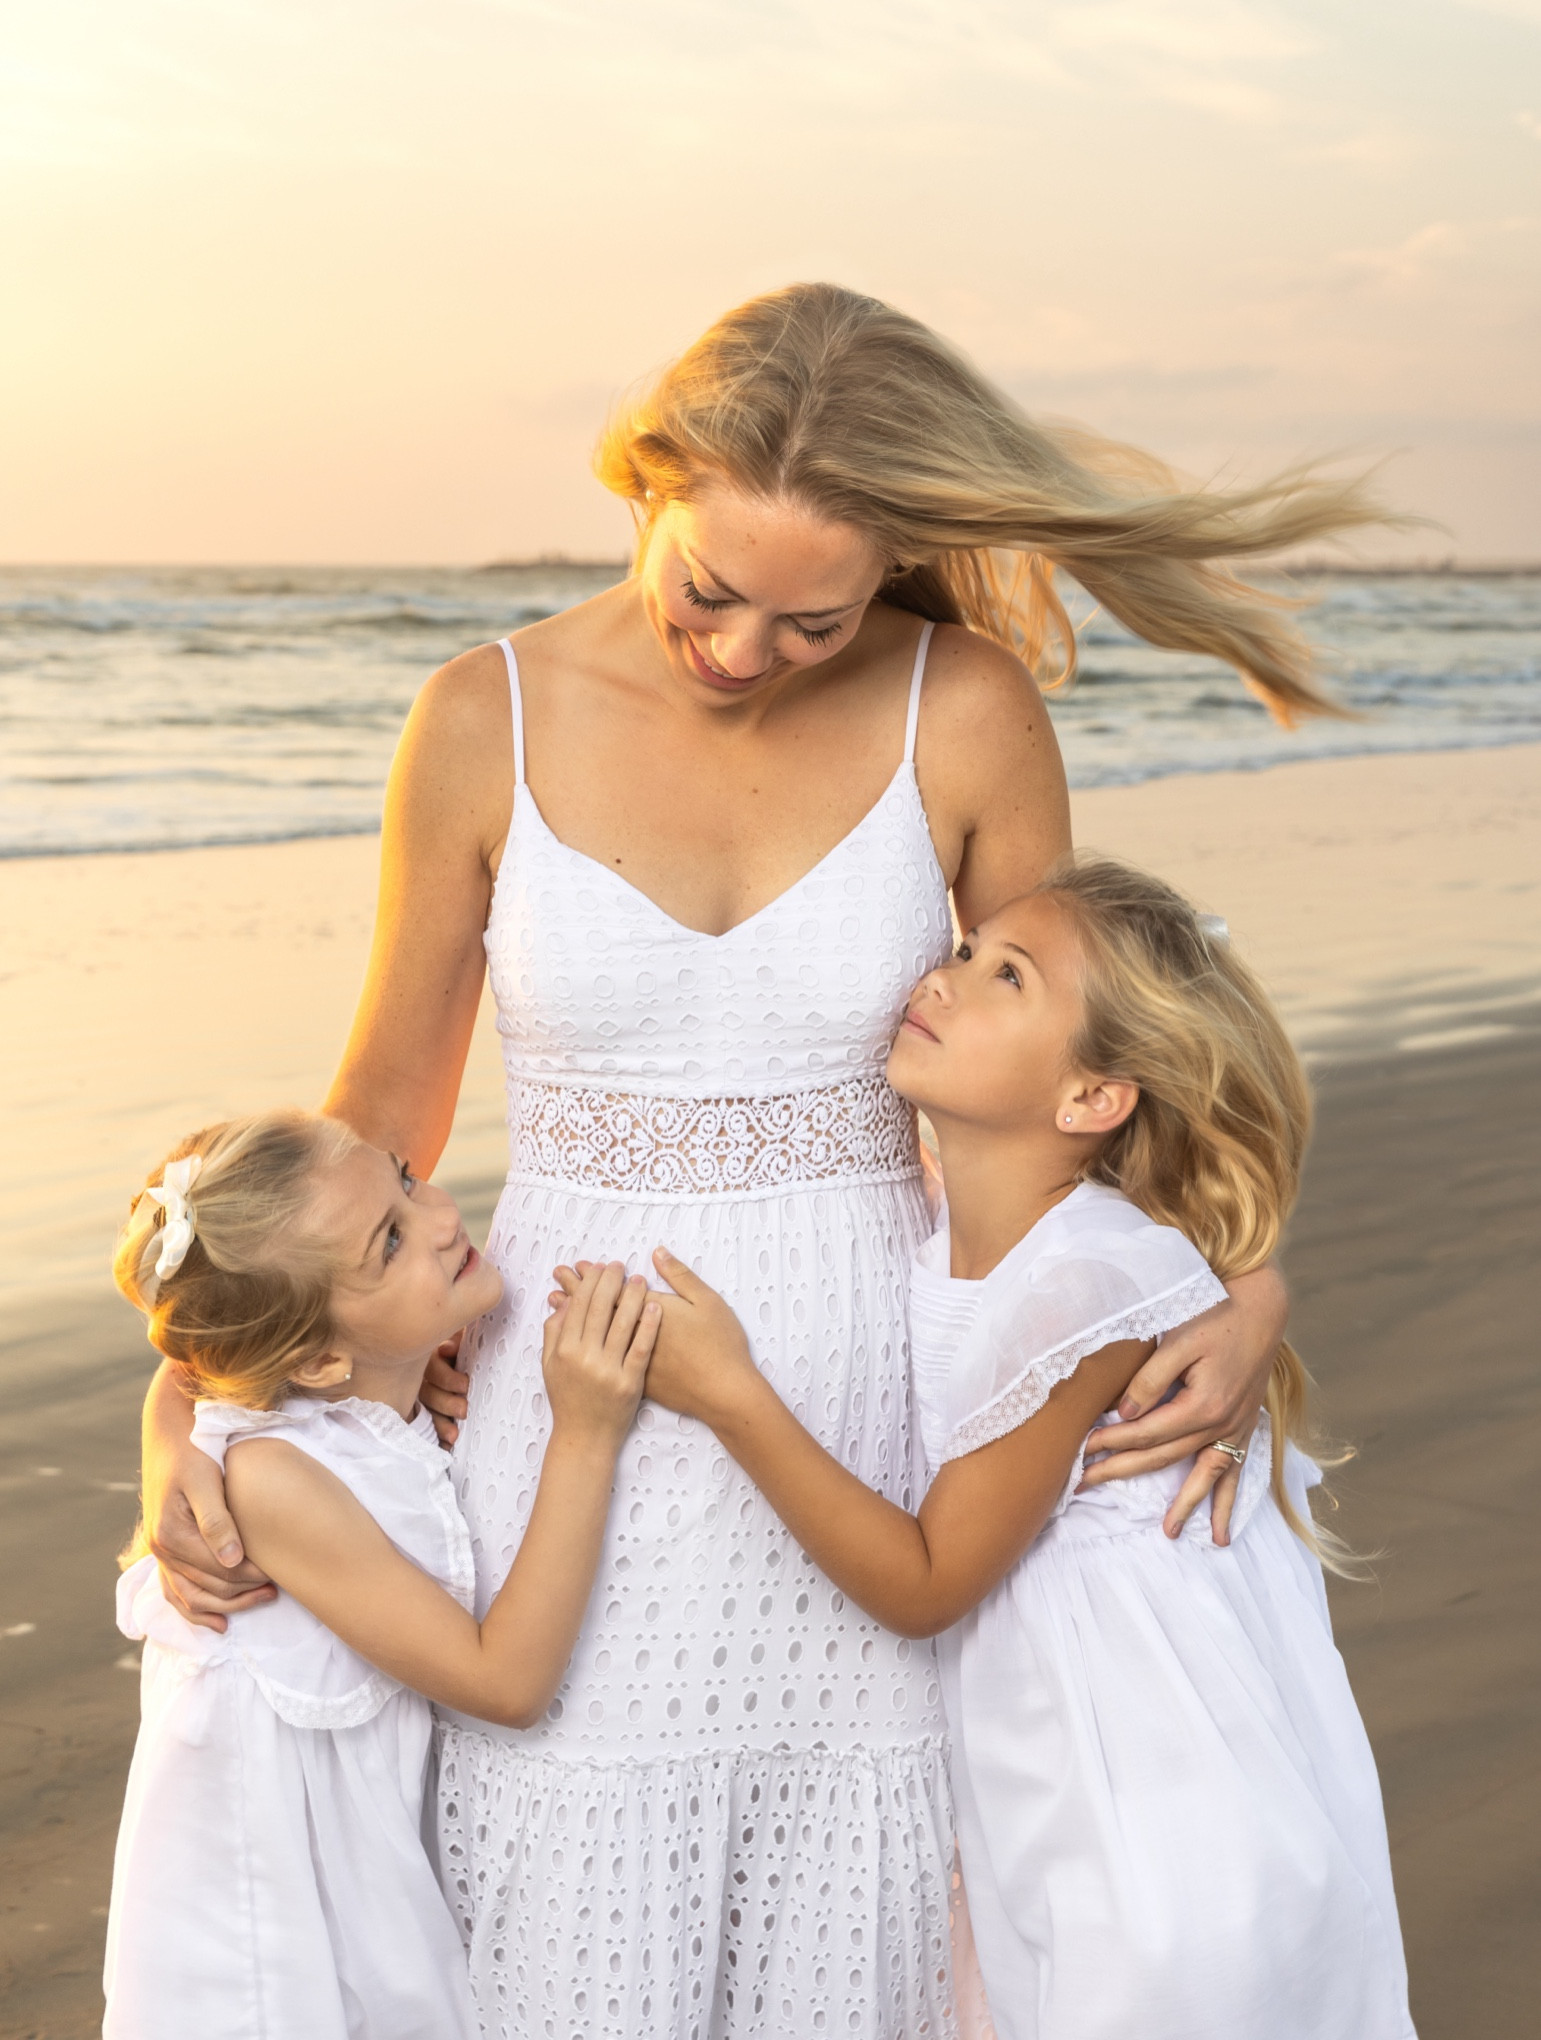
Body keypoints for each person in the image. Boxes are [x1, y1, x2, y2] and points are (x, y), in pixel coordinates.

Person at [136, 285, 1378, 2034]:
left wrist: (1242, 1292)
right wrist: (189, 1403)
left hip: (873, 1418)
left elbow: (1084, 1064)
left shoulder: (967, 711)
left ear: (892, 572)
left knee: (860, 1936)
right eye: (707, 590)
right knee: (560, 1927)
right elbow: (370, 1133)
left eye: (814, 618)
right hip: (564, 1414)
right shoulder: (479, 715)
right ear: (646, 483)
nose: (740, 651)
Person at [629, 855, 1415, 2040]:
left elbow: (929, 1579)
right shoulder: (962, 1217)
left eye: (1006, 975)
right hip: (1078, 1764)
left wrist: (730, 1392)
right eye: (962, 949)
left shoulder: (1079, 1286)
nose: (942, 976)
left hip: (1156, 1798)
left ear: (1093, 1098)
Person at [106, 1110, 658, 2040]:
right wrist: (586, 1431)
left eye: (403, 1178)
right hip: (266, 1907)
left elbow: (194, 1371)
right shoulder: (269, 1481)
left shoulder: (361, 1403)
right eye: (390, 1242)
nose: (440, 1216)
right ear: (319, 1358)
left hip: (345, 1858)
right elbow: (505, 1682)